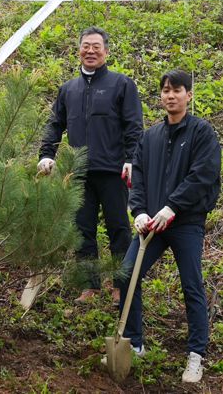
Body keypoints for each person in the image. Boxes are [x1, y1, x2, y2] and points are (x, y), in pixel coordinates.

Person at [117, 69, 221, 383]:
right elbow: (139, 177)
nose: (170, 96)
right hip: (152, 223)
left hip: (185, 222)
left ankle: (196, 355)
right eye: (165, 90)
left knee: (192, 284)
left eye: (177, 90)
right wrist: (138, 211)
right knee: (127, 274)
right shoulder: (150, 137)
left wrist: (172, 206)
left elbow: (202, 176)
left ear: (189, 95)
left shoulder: (202, 133)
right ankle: (134, 343)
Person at [38, 26, 143, 304]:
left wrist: (132, 160)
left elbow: (134, 126)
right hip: (79, 171)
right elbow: (54, 124)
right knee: (82, 230)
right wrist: (46, 153)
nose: (91, 51)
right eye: (86, 46)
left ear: (106, 52)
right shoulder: (68, 89)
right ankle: (90, 286)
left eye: (97, 46)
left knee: (118, 227)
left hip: (113, 171)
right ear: (79, 50)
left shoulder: (122, 84)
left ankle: (122, 285)